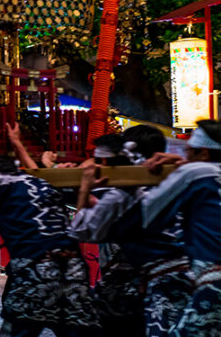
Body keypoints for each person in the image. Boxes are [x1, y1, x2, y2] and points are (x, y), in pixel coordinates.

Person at [0, 116, 99, 337]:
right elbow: (33, 170)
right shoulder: (40, 182)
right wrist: (16, 143)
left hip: (35, 276)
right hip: (72, 274)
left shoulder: (2, 184)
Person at [70, 127, 191, 336]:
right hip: (196, 277)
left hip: (155, 283)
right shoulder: (187, 178)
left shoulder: (122, 192)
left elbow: (81, 231)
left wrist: (84, 190)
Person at [133, 119, 221, 334]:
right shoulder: (202, 171)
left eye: (189, 151)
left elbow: (144, 217)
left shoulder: (195, 173)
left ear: (204, 154)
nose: (185, 156)